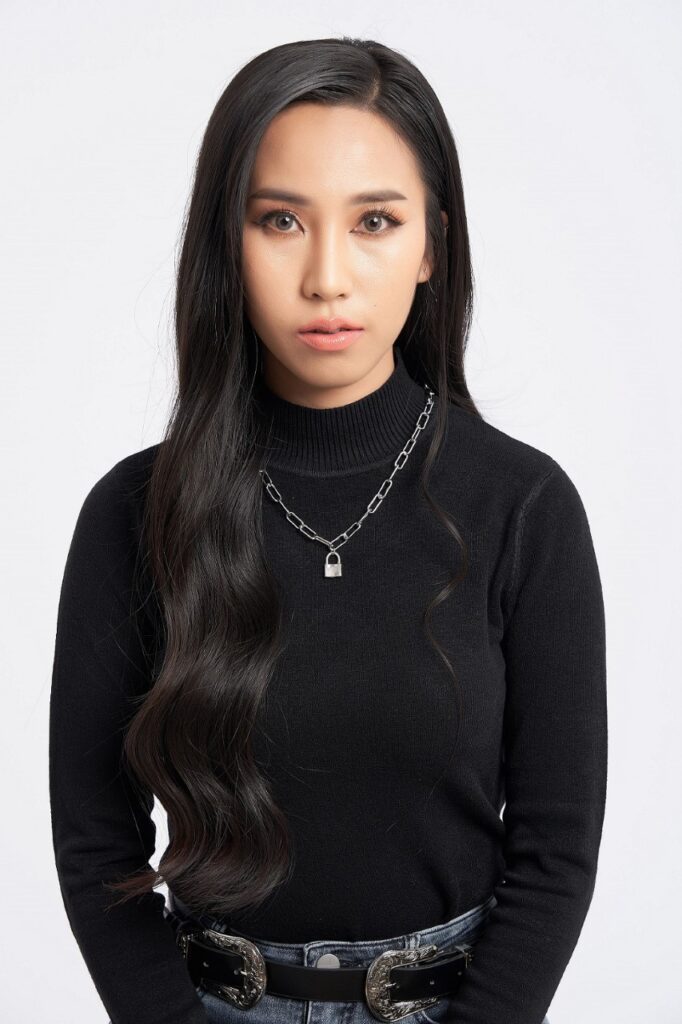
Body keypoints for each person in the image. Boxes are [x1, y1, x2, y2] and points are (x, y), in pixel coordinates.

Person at [49, 36, 607, 1024]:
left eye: (375, 221)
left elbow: (556, 851)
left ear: (431, 245)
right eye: (280, 220)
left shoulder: (524, 506)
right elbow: (96, 842)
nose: (327, 276)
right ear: (227, 242)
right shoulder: (135, 513)